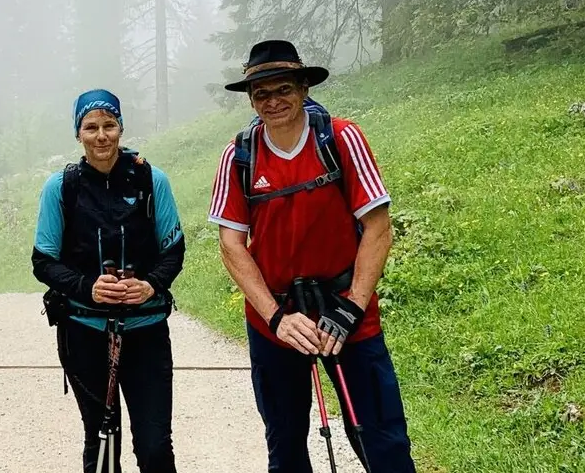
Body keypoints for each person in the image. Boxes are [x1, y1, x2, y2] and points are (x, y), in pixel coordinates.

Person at [207, 40, 417, 473]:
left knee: (382, 441)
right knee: (285, 446)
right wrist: (276, 318)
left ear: (304, 88)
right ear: (250, 100)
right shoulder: (239, 155)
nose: (273, 101)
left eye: (283, 89)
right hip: (277, 321)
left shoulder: (341, 138)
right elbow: (231, 246)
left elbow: (378, 227)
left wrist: (352, 307)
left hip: (347, 314)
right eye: (261, 94)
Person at [32, 89, 186, 473]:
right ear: (78, 133)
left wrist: (150, 285)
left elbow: (174, 250)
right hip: (84, 329)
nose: (101, 135)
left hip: (146, 327)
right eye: (91, 127)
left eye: (109, 125)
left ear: (120, 128)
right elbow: (43, 261)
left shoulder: (152, 179)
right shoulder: (61, 187)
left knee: (154, 444)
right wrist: (88, 287)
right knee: (102, 438)